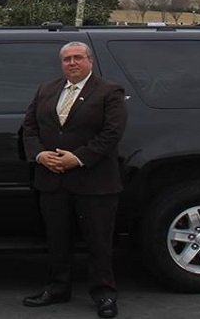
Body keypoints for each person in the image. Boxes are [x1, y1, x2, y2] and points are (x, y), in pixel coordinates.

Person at [21, 41, 127, 318]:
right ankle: (57, 289)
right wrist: (40, 155)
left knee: (99, 242)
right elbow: (29, 127)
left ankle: (104, 294)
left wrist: (78, 158)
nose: (72, 63)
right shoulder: (46, 90)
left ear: (90, 61)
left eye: (77, 58)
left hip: (94, 181)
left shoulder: (109, 92)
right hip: (52, 180)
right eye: (67, 59)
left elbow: (112, 133)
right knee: (57, 240)